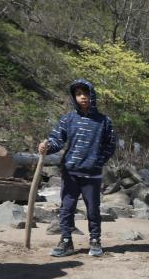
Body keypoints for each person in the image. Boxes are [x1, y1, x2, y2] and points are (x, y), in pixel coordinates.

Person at [38, 79, 116, 257]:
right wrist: (47, 146)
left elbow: (110, 145)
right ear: (74, 97)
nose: (83, 97)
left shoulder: (104, 121)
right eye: (78, 94)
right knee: (67, 208)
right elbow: (57, 139)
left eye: (86, 93)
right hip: (70, 172)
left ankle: (95, 240)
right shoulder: (68, 119)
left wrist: (98, 161)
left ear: (92, 95)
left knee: (93, 209)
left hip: (92, 174)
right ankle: (66, 241)